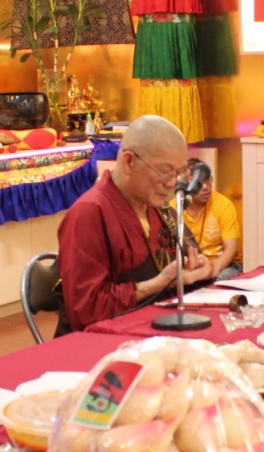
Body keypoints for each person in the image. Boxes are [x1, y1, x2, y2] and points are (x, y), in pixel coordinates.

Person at [54, 115, 212, 334]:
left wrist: (197, 269)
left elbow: (189, 263)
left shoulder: (157, 206)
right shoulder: (88, 213)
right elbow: (85, 310)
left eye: (178, 173)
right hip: (103, 342)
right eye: (164, 171)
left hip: (157, 331)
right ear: (129, 162)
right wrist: (159, 283)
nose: (171, 183)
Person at [181, 157, 241, 279]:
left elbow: (231, 248)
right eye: (199, 183)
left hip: (222, 266)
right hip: (190, 268)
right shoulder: (174, 208)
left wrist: (213, 269)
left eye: (207, 180)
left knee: (220, 279)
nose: (205, 187)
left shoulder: (223, 204)